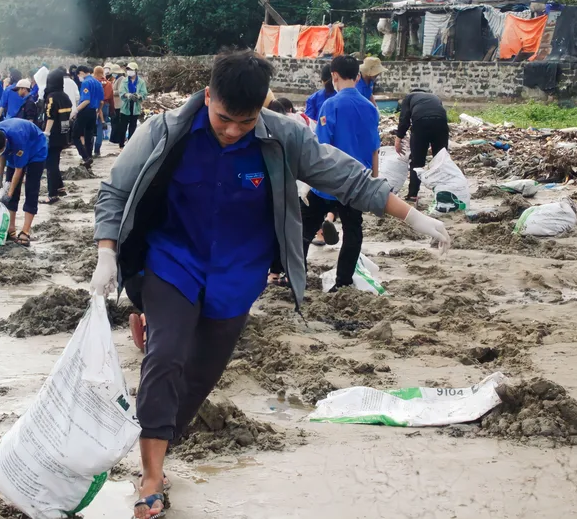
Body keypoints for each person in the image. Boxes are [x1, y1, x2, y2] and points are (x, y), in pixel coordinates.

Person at [88, 51, 451, 519]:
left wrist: (414, 217)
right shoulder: (164, 132)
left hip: (239, 274)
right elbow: (116, 190)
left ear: (262, 107)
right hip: (172, 261)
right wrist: (106, 253)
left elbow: (345, 176)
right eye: (224, 119)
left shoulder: (283, 138)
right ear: (207, 97)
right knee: (167, 355)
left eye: (246, 120)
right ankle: (151, 474)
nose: (234, 130)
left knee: (200, 374)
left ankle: (161, 437)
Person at [301, 55, 387, 289]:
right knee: (353, 231)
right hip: (357, 182)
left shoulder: (330, 105)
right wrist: (373, 181)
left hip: (329, 180)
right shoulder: (370, 108)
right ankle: (343, 282)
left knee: (305, 228)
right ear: (358, 76)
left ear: (334, 77)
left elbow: (321, 147)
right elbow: (374, 148)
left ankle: (297, 275)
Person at [0, 118, 48, 248]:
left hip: (36, 148)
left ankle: (25, 231)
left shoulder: (18, 138)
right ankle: (11, 228)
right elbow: (2, 154)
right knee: (9, 184)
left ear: (5, 143)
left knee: (31, 189)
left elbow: (19, 170)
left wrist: (10, 193)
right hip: (13, 149)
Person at [396, 89, 449, 203]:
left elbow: (404, 119)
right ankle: (443, 194)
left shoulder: (409, 97)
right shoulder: (434, 97)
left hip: (421, 123)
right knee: (441, 160)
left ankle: (412, 195)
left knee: (417, 161)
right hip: (441, 122)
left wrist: (398, 138)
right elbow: (438, 112)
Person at [42, 67, 73, 204]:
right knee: (55, 161)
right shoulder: (65, 96)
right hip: (64, 134)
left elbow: (50, 116)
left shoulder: (51, 97)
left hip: (53, 135)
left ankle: (52, 194)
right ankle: (60, 188)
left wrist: (46, 134)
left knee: (51, 164)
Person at [72, 67, 105, 168]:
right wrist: (98, 111)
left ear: (81, 73)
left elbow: (86, 100)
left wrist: (75, 111)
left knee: (75, 136)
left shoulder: (86, 83)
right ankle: (89, 157)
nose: (79, 78)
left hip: (85, 111)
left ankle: (85, 157)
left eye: (78, 75)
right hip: (93, 112)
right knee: (89, 135)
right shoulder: (98, 83)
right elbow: (102, 101)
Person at [117, 62, 148, 149]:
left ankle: (130, 144)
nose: (129, 71)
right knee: (123, 126)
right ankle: (121, 144)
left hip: (135, 106)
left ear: (135, 70)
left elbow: (144, 93)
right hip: (125, 105)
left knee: (133, 126)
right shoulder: (124, 81)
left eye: (131, 70)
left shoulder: (141, 82)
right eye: (128, 70)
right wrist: (128, 95)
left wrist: (138, 96)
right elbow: (121, 92)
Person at [95, 66, 113, 157]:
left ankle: (89, 149)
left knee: (90, 129)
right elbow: (111, 98)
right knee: (100, 129)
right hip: (105, 106)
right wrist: (112, 110)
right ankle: (97, 150)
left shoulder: (94, 82)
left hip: (95, 105)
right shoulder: (109, 84)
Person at [109, 64, 126, 145]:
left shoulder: (121, 79)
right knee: (114, 122)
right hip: (115, 104)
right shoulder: (116, 79)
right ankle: (114, 139)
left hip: (119, 104)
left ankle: (117, 139)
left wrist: (111, 92)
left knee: (117, 122)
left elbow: (120, 91)